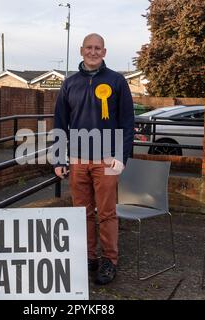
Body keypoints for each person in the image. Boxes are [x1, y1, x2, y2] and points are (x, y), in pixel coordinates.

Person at [53, 33, 135, 285]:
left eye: (97, 48)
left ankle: (109, 260)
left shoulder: (117, 80)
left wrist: (122, 156)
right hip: (77, 160)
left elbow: (127, 121)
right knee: (82, 212)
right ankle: (88, 257)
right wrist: (59, 158)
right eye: (88, 47)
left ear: (104, 52)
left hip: (108, 160)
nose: (93, 51)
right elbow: (60, 122)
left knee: (107, 213)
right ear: (81, 50)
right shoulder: (69, 83)